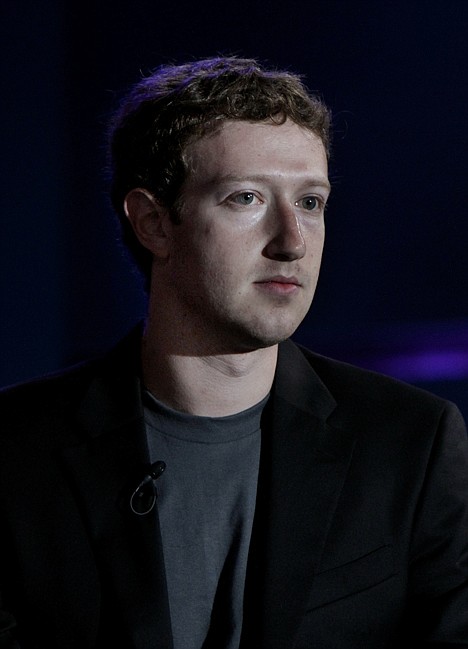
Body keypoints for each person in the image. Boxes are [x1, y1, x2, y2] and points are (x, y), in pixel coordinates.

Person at [0, 57, 467, 649]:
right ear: (153, 223)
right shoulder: (16, 451)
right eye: (246, 198)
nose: (292, 242)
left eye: (310, 202)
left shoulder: (411, 443)